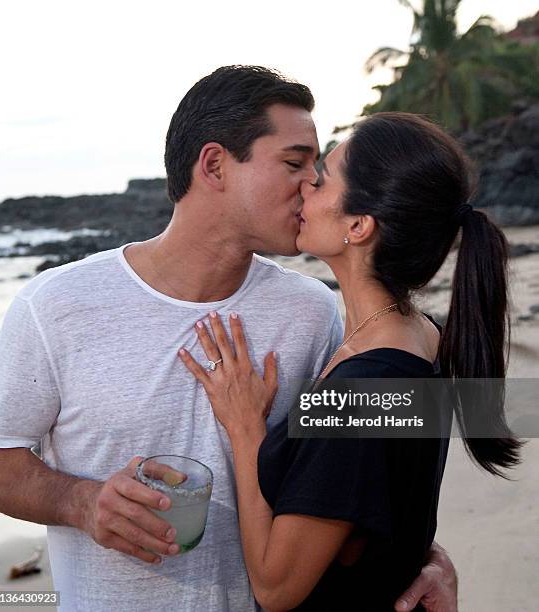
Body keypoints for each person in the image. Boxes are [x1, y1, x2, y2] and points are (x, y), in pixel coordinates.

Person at [0, 67, 456, 611]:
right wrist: (82, 502)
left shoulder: (311, 312)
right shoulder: (55, 306)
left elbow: (363, 465)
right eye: (294, 162)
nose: (309, 182)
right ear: (214, 165)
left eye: (317, 168)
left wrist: (418, 553)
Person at [179, 112, 523, 610]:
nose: (304, 191)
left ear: (359, 226)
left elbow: (276, 589)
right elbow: (387, 501)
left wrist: (244, 425)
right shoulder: (423, 336)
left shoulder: (359, 390)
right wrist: (425, 555)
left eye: (320, 181)